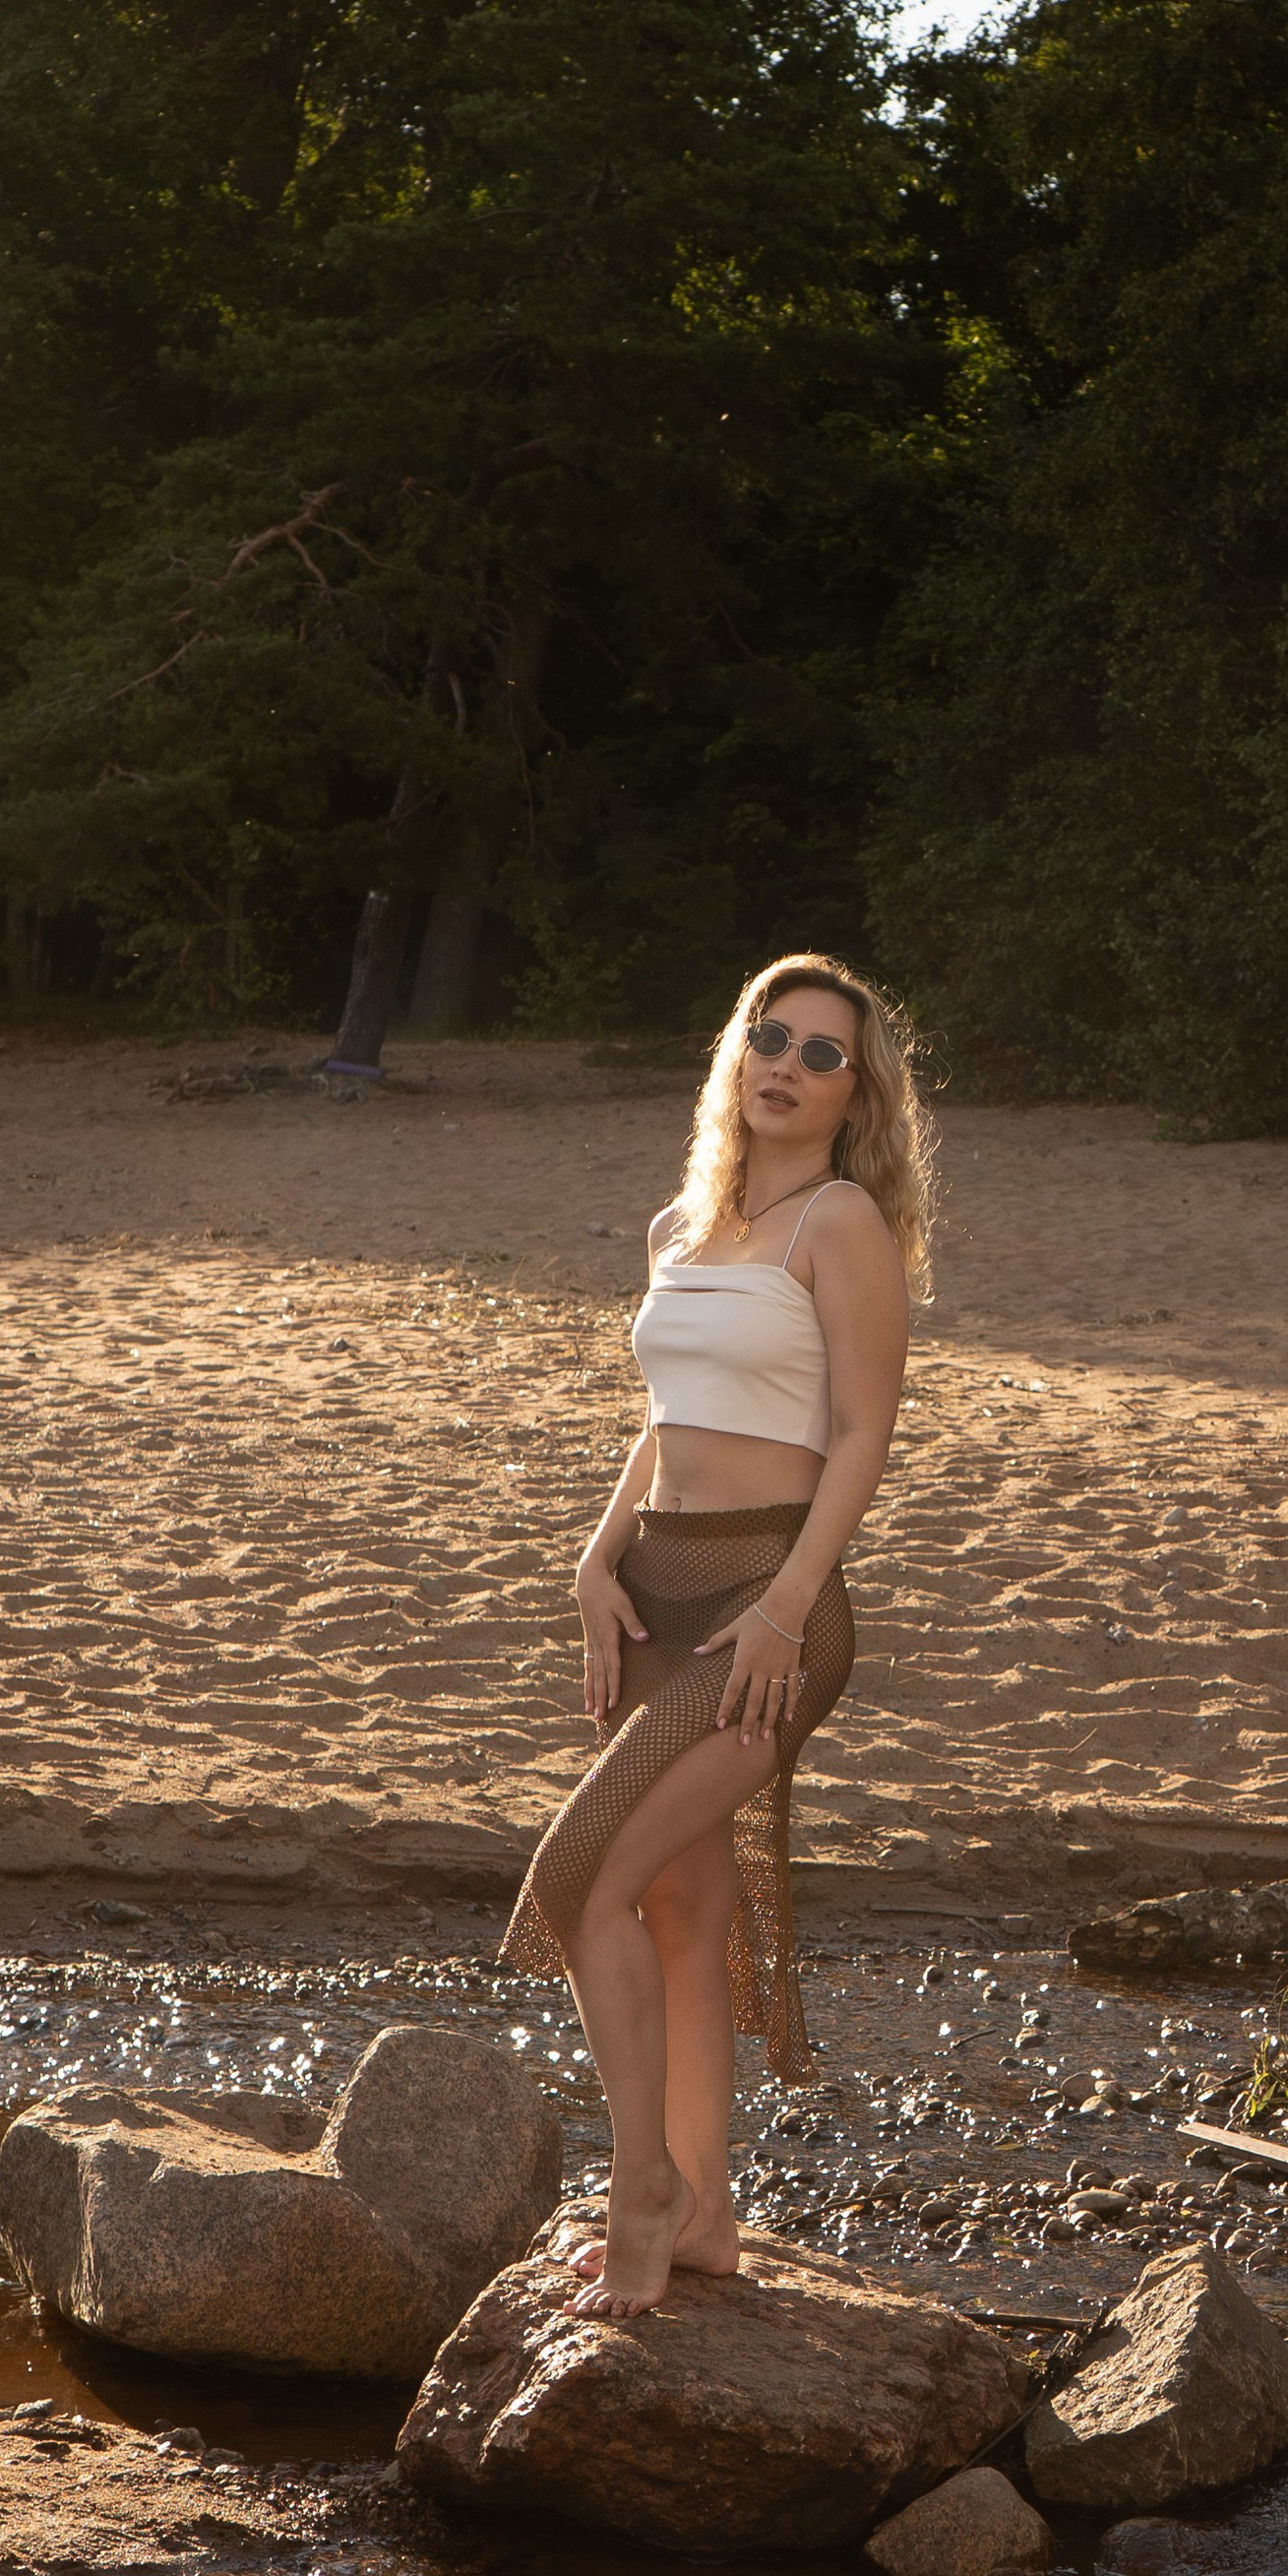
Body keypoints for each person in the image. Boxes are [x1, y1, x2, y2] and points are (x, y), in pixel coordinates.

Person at [502, 957, 931, 2315]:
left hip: (768, 1599)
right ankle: (706, 2218)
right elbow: (668, 1416)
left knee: (579, 1880)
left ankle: (642, 2195)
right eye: (772, 1035)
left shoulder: (840, 1223)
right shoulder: (680, 1227)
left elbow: (864, 1433)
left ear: (857, 1096)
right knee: (680, 1910)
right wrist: (594, 1552)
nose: (790, 1064)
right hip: (652, 1590)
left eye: (823, 1053)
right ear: (735, 1049)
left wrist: (789, 1609)